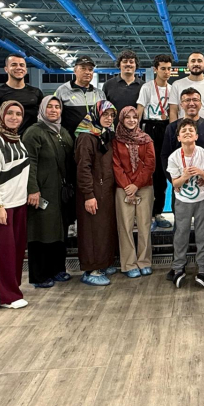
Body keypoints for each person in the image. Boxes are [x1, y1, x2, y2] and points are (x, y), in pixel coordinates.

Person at [161, 88, 204, 280]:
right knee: (180, 229)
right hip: (181, 189)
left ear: (201, 103)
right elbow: (165, 156)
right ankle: (177, 266)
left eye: (195, 99)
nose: (191, 103)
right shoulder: (172, 128)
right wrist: (175, 181)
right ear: (181, 104)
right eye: (187, 100)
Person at [0, 100, 30, 309]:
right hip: (2, 205)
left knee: (14, 251)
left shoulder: (16, 138)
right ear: (1, 115)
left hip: (18, 202)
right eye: (10, 113)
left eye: (18, 114)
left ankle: (6, 286)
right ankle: (4, 297)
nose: (14, 117)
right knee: (2, 252)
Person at [22, 96, 74, 289]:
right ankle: (39, 276)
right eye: (49, 107)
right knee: (40, 232)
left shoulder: (62, 132)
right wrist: (33, 189)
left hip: (60, 192)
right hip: (42, 191)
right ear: (42, 109)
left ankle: (57, 269)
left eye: (57, 107)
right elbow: (29, 163)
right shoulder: (34, 132)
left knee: (58, 231)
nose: (53, 110)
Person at [167, 118, 204, 288]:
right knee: (181, 234)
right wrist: (185, 176)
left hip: (203, 199)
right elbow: (175, 183)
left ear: (196, 136)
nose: (187, 132)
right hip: (183, 200)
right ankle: (178, 267)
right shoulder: (174, 157)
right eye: (183, 131)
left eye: (191, 130)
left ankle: (203, 268)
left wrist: (201, 173)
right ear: (179, 138)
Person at [75, 100, 118, 286]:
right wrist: (88, 195)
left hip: (105, 191)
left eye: (112, 115)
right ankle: (90, 269)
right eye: (105, 114)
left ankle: (103, 263)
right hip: (92, 193)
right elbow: (83, 168)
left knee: (103, 230)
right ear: (95, 115)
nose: (109, 118)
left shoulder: (104, 135)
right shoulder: (86, 137)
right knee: (92, 231)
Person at [113, 106, 156, 279]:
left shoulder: (146, 139)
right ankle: (129, 264)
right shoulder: (116, 140)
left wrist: (136, 185)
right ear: (122, 120)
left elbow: (150, 164)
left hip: (144, 187)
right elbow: (116, 165)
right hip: (123, 189)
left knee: (145, 225)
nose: (131, 120)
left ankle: (144, 261)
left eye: (135, 117)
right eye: (128, 117)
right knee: (125, 226)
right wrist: (127, 186)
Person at [137, 54, 173, 229]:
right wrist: (135, 134)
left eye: (169, 69)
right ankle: (146, 214)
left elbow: (174, 111)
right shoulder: (147, 87)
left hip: (166, 128)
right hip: (149, 128)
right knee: (148, 172)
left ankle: (158, 212)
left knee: (162, 174)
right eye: (163, 68)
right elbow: (139, 110)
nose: (166, 72)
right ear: (155, 69)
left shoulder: (172, 89)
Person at [0, 54, 44, 136]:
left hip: (32, 140)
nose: (18, 67)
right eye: (14, 65)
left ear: (26, 70)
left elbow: (44, 116)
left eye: (22, 65)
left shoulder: (36, 92)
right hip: (8, 140)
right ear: (6, 69)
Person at [55, 56, 106, 138]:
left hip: (94, 140)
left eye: (90, 69)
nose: (87, 72)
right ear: (75, 71)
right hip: (70, 140)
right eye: (83, 68)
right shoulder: (62, 91)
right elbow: (54, 116)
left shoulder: (99, 94)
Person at [168, 52, 204, 124]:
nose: (196, 64)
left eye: (199, 61)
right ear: (188, 65)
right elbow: (173, 111)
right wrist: (174, 129)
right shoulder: (176, 85)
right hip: (184, 128)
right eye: (193, 61)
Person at [103, 49, 143, 124]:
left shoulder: (144, 86)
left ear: (136, 65)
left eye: (131, 62)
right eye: (125, 61)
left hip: (136, 130)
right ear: (119, 65)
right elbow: (103, 110)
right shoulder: (108, 85)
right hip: (113, 129)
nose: (128, 64)